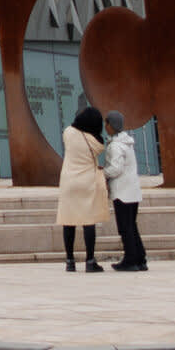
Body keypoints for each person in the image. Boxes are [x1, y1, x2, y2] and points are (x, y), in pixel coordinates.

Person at [56, 105, 109, 271]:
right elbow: (100, 148)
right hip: (87, 182)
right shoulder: (97, 142)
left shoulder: (68, 133)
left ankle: (70, 261)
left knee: (68, 221)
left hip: (68, 181)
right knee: (88, 221)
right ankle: (90, 260)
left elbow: (71, 129)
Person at [102, 110, 147, 271]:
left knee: (125, 227)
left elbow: (116, 168)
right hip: (133, 191)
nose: (105, 127)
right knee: (131, 225)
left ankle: (130, 260)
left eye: (106, 123)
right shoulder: (127, 143)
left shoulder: (115, 146)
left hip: (122, 192)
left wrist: (102, 173)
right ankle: (140, 257)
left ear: (111, 125)